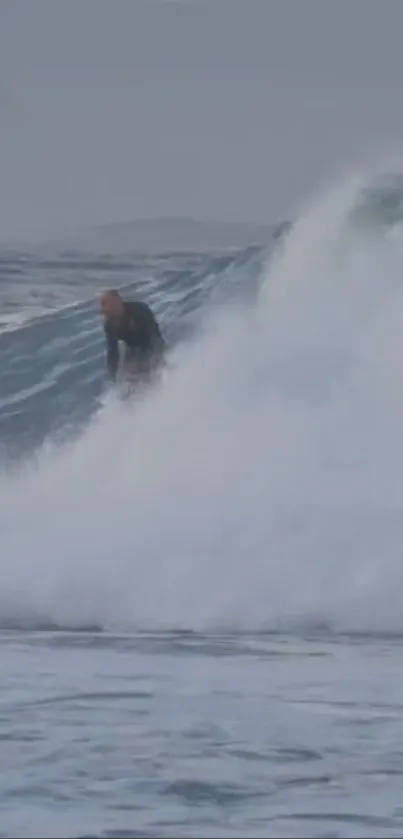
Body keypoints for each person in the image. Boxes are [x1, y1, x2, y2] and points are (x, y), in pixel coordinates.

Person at [100, 289, 165, 385]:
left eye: (107, 305)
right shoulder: (110, 324)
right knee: (130, 374)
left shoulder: (139, 311)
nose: (103, 310)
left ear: (118, 303)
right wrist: (113, 376)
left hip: (150, 343)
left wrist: (156, 358)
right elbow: (113, 352)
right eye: (102, 306)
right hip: (133, 348)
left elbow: (155, 337)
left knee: (153, 368)